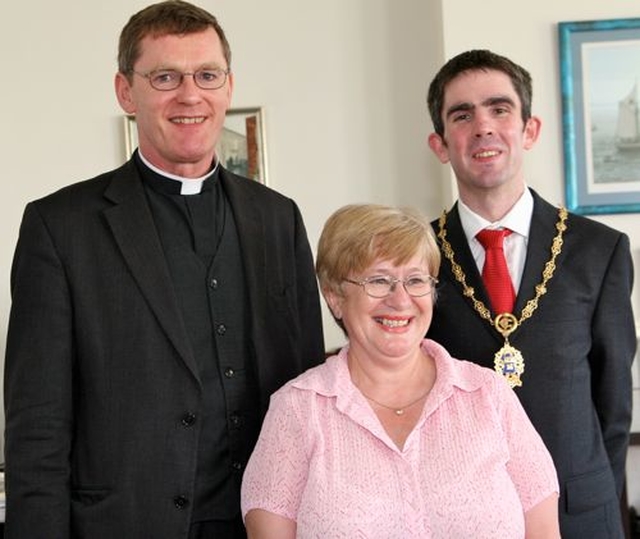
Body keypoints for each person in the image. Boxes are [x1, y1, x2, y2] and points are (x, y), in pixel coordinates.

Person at [3, 1, 325, 538]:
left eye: (206, 75)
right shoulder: (59, 227)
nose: (190, 95)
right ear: (126, 91)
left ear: (228, 86)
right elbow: (37, 428)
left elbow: (309, 390)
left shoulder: (279, 217)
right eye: (165, 77)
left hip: (264, 525)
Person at [241, 203, 561, 538]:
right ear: (335, 296)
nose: (400, 299)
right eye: (379, 280)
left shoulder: (489, 395)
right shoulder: (296, 410)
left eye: (415, 280)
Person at [425, 49, 636, 539]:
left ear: (530, 130)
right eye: (462, 115)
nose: (483, 127)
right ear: (440, 143)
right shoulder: (417, 257)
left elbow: (613, 403)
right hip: (462, 517)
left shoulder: (598, 250)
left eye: (499, 109)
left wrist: (597, 499)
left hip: (580, 514)